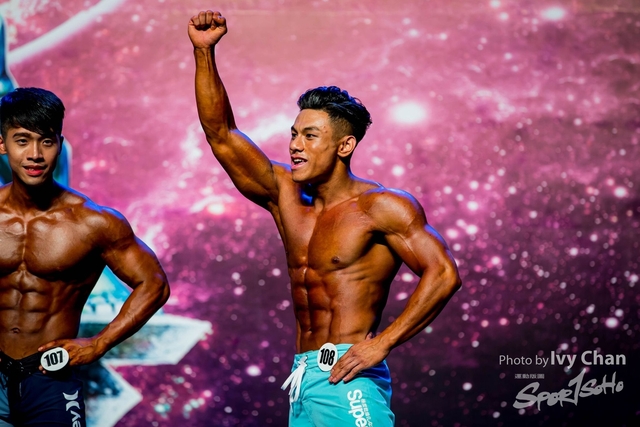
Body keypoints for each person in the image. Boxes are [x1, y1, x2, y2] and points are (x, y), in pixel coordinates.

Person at [188, 10, 462, 426]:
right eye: (294, 134)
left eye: (310, 136)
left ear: (344, 146)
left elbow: (443, 274)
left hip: (348, 378)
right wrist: (204, 52)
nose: (295, 145)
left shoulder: (380, 206)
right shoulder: (284, 195)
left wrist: (382, 344)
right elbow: (221, 134)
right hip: (302, 379)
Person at [0, 87, 170, 427]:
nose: (35, 154)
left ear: (60, 144)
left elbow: (154, 284)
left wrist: (98, 344)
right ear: (2, 144)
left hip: (50, 377)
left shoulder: (93, 222)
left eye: (46, 141)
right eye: (22, 141)